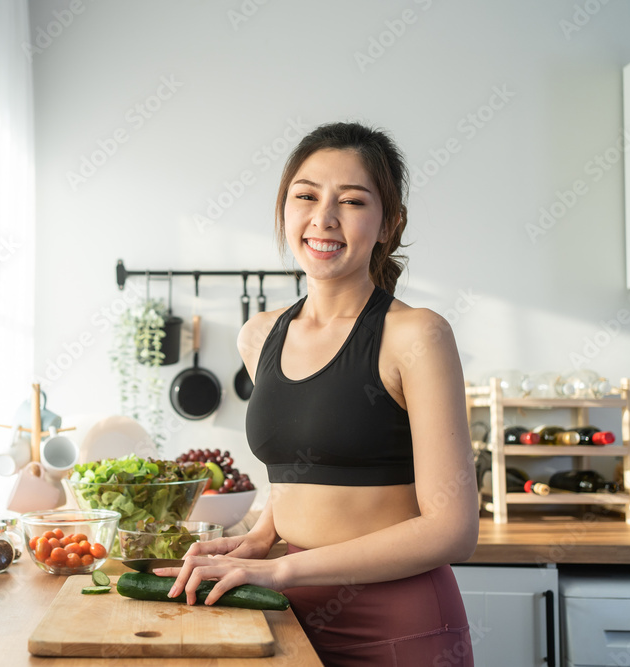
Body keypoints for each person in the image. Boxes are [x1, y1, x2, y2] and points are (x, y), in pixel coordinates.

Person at [155, 122, 479, 666]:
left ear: (389, 223)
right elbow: (300, 470)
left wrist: (279, 567)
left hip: (399, 626)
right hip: (287, 613)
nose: (323, 218)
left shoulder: (417, 335)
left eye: (351, 201)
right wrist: (262, 536)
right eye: (305, 196)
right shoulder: (259, 334)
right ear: (285, 209)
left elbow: (453, 530)